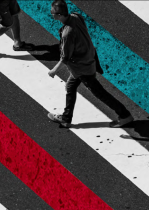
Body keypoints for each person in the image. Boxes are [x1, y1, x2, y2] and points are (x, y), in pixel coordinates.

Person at [47, 0, 134, 129]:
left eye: (52, 13)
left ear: (59, 15)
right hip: (88, 59)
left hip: (82, 67)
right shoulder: (76, 16)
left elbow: (65, 57)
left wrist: (54, 70)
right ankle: (66, 118)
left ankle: (125, 115)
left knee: (100, 93)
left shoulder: (67, 33)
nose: (51, 14)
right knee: (70, 86)